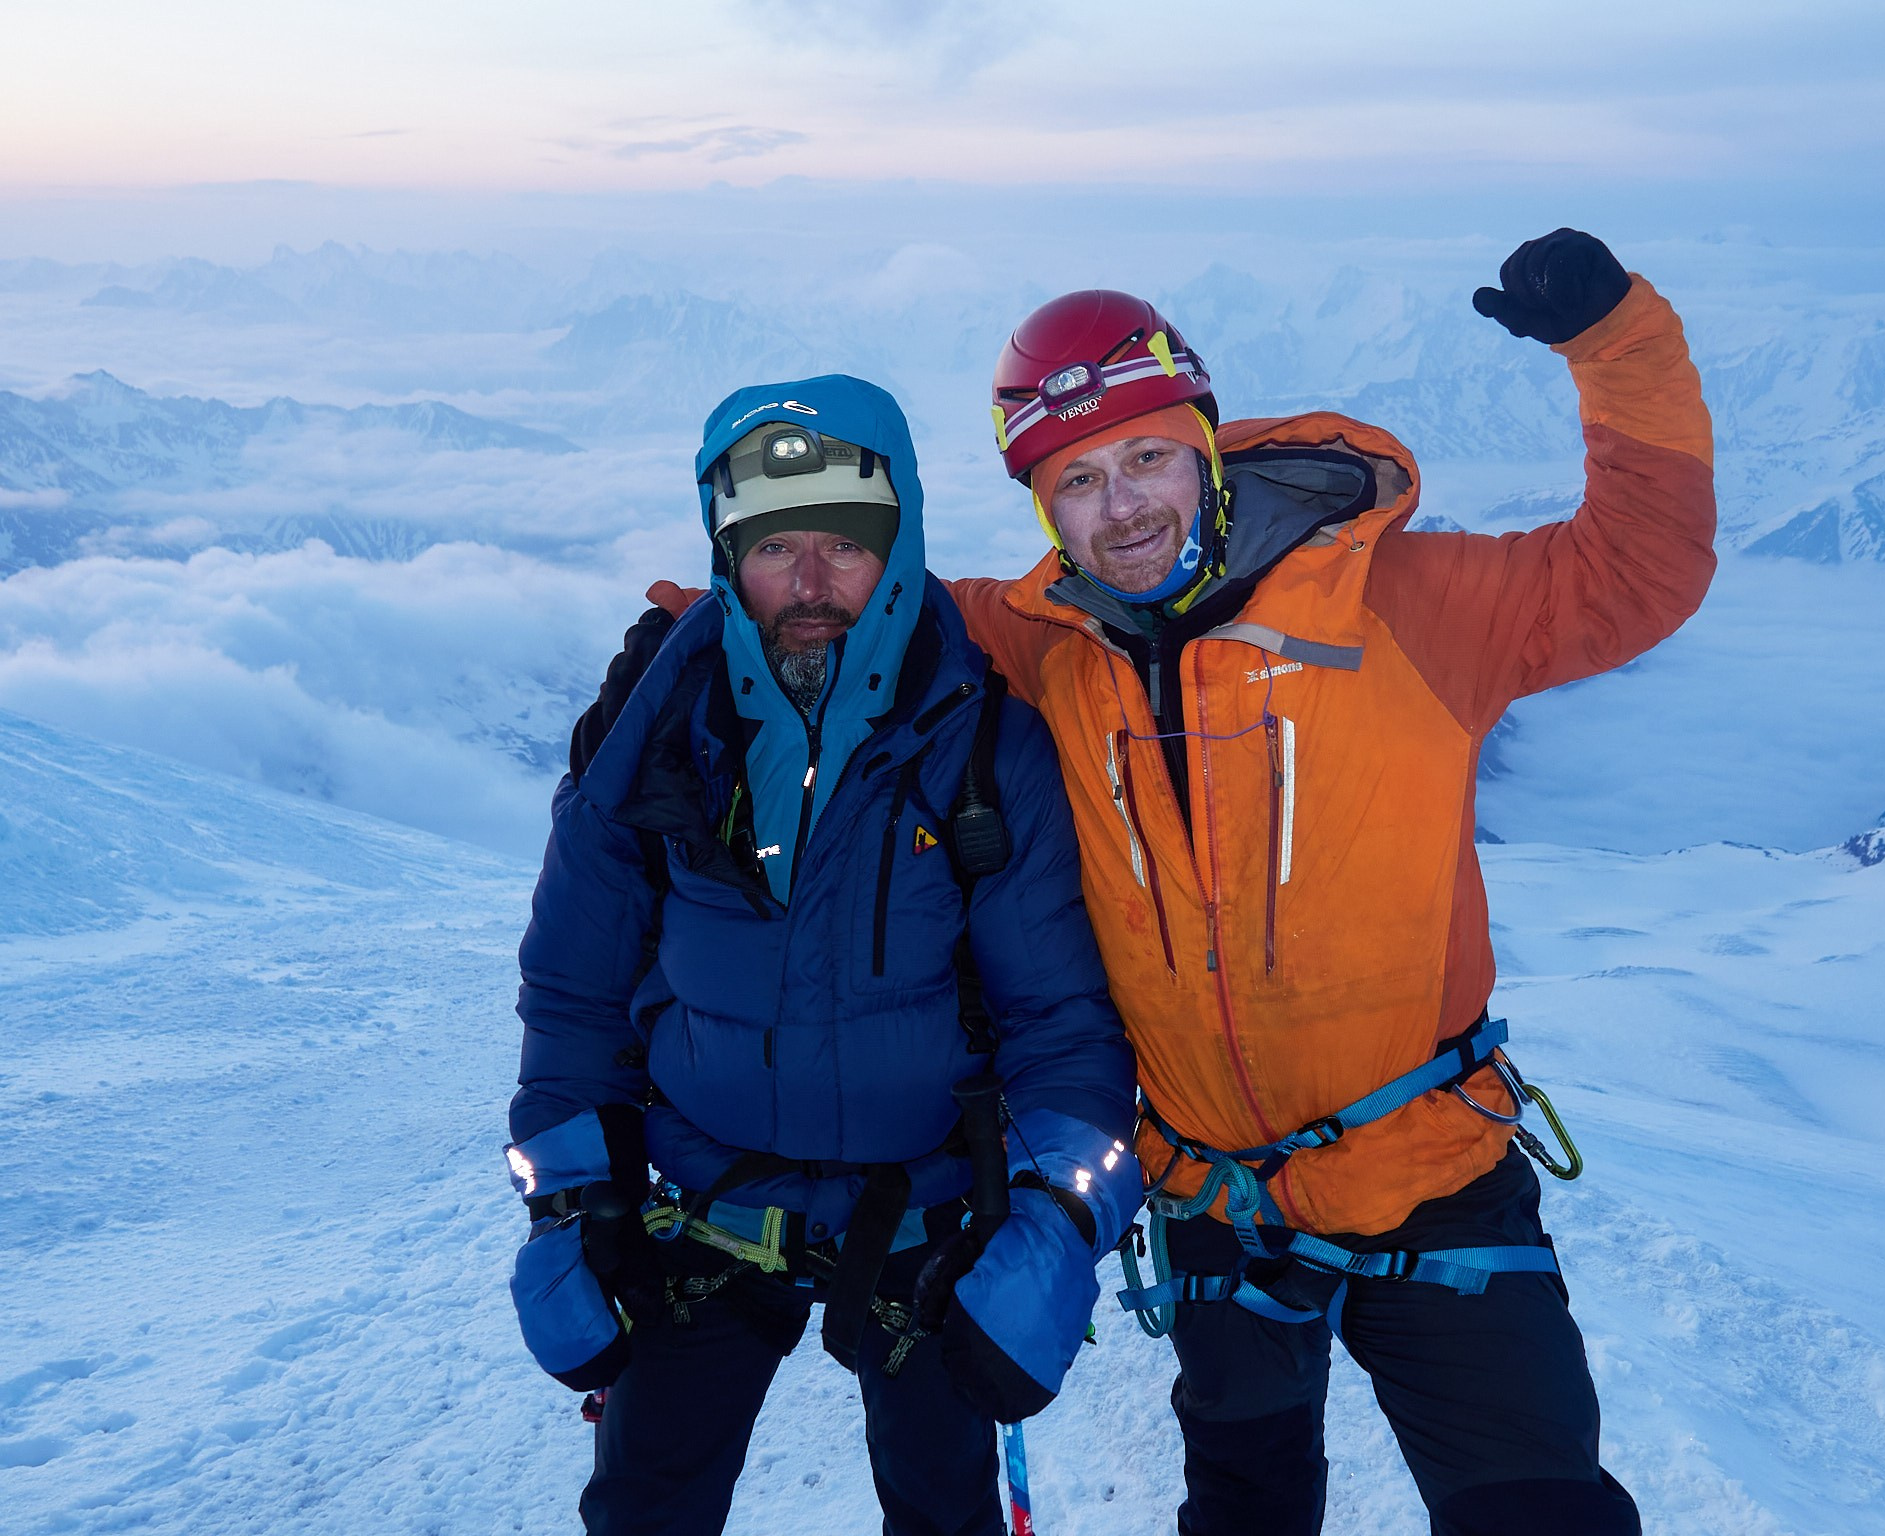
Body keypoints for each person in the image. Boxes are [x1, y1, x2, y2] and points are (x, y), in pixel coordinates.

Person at [934, 230, 1718, 1536]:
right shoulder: (1042, 645)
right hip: (1213, 1197)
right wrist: (675, 637)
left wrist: (1617, 344)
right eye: (1078, 480)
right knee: (1245, 1508)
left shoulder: (1403, 600)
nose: (1123, 507)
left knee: (1539, 1514)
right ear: (1042, 506)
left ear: (1205, 447)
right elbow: (847, 611)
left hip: (1432, 1167)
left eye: (1146, 457)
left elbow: (1635, 576)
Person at [505, 374, 1140, 1536]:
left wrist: (1055, 1219)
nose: (807, 586)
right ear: (723, 553)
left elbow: (1061, 1022)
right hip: (704, 1203)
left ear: (897, 547)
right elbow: (574, 988)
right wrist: (571, 1201)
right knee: (644, 1507)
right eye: (773, 547)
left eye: (843, 546)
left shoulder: (982, 739)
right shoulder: (656, 727)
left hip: (927, 1216)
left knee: (941, 1509)